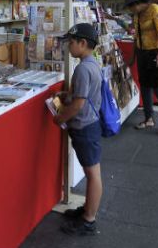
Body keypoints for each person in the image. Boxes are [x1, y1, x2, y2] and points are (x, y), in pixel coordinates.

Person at [52, 23, 102, 236]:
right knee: (92, 172)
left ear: (83, 43)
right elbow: (83, 96)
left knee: (92, 173)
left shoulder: (82, 68)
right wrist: (69, 96)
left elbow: (79, 104)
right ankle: (87, 210)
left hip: (84, 126)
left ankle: (89, 219)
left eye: (71, 43)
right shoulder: (92, 63)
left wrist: (60, 117)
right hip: (90, 124)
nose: (68, 47)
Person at [124, 0, 158, 139]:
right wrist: (134, 57)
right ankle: (148, 119)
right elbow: (136, 36)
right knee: (145, 86)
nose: (130, 10)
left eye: (131, 7)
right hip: (142, 53)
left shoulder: (155, 10)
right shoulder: (137, 14)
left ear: (138, 4)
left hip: (155, 53)